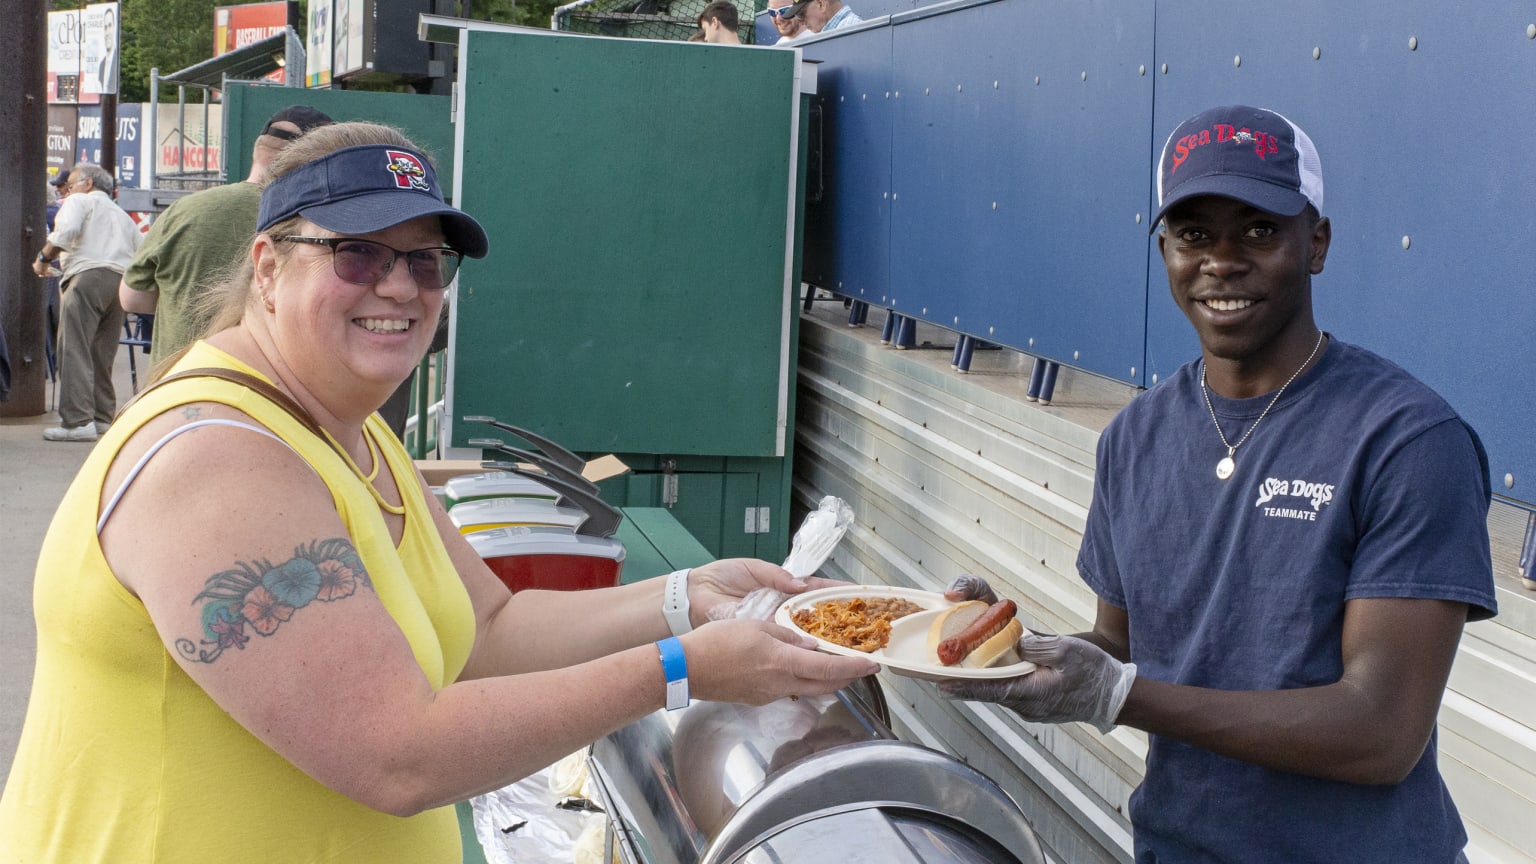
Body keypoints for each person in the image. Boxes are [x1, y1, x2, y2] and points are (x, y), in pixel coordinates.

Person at [0, 121, 879, 861]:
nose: (399, 286)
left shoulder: (349, 427)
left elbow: (488, 633)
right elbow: (397, 755)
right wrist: (685, 670)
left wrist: (690, 599)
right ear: (265, 266)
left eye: (426, 262)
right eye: (357, 254)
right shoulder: (219, 458)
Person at [941, 105, 1497, 862]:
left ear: (1318, 243)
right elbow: (1118, 644)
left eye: (1260, 230)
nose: (1222, 261)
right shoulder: (1135, 438)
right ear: (1165, 249)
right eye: (1194, 235)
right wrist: (996, 645)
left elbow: (1381, 733)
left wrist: (1115, 695)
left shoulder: (1404, 439)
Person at [120, 105, 333, 374]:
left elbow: (132, 299)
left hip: (174, 386)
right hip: (266, 392)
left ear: (259, 152)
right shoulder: (314, 224)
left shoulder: (186, 210)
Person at [30, 162, 141, 442]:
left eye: (71, 185)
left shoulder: (80, 201)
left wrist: (43, 258)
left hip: (86, 275)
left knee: (74, 347)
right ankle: (102, 417)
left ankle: (77, 421)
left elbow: (66, 232)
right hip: (120, 281)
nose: (67, 192)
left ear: (88, 184)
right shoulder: (122, 215)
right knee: (102, 352)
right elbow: (142, 249)